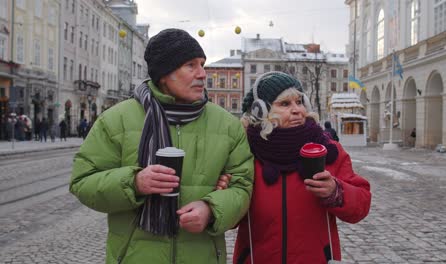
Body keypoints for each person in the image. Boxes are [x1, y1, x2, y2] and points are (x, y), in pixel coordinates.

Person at [70, 28, 254, 263]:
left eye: (202, 64)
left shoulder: (227, 125)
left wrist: (212, 209)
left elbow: (243, 186)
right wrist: (134, 182)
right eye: (191, 65)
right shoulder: (116, 120)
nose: (202, 74)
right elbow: (82, 181)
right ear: (164, 74)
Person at [233, 72, 371, 264]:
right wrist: (226, 193)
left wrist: (337, 191)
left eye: (299, 101)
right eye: (285, 104)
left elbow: (361, 205)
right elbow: (229, 220)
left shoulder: (328, 150)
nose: (297, 110)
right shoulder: (244, 152)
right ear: (260, 111)